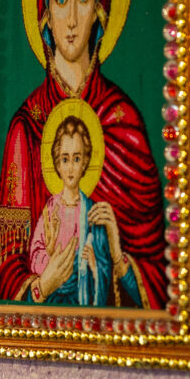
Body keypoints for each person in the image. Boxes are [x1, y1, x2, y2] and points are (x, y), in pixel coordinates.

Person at [0, 0, 167, 308]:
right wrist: (43, 284)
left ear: (100, 10)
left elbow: (162, 279)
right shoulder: (27, 127)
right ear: (45, 15)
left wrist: (117, 260)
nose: (71, 19)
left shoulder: (125, 122)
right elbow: (4, 271)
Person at [29, 116, 114, 306]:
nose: (70, 168)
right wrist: (50, 261)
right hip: (51, 297)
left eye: (76, 158)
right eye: (65, 159)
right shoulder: (51, 208)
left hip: (82, 298)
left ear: (84, 162)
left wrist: (94, 265)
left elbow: (104, 269)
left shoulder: (92, 212)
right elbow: (35, 254)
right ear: (58, 164)